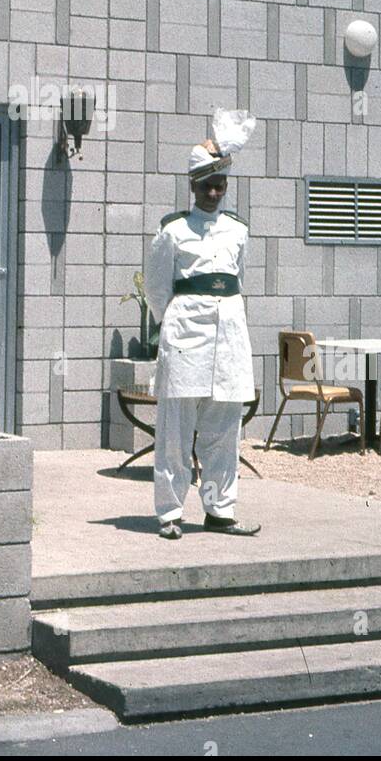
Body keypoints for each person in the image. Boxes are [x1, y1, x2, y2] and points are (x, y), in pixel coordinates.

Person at [144, 109, 261, 539]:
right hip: (184, 339)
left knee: (223, 432)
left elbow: (238, 282)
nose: (214, 191)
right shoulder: (173, 231)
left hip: (227, 339)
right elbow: (157, 291)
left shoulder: (237, 231)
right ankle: (171, 514)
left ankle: (219, 510)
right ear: (192, 186)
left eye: (220, 184)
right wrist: (176, 327)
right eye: (206, 185)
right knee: (175, 433)